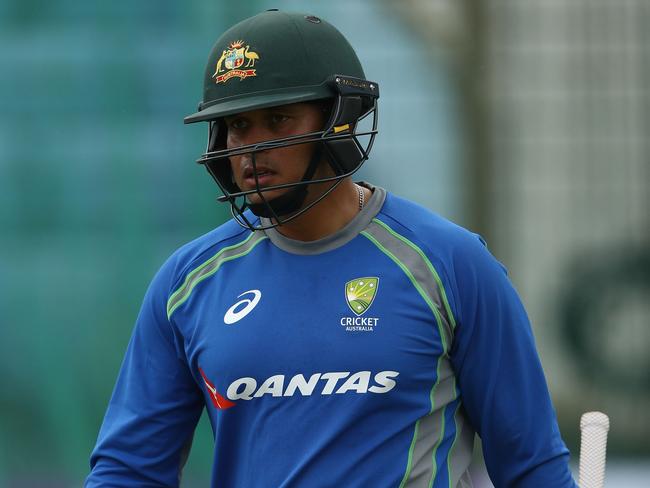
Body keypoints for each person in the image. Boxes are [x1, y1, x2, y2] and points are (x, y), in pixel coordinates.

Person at [86, 10, 577, 488]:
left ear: (340, 119)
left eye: (277, 120)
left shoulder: (452, 264)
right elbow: (128, 471)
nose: (250, 149)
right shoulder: (187, 284)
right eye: (237, 126)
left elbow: (531, 466)